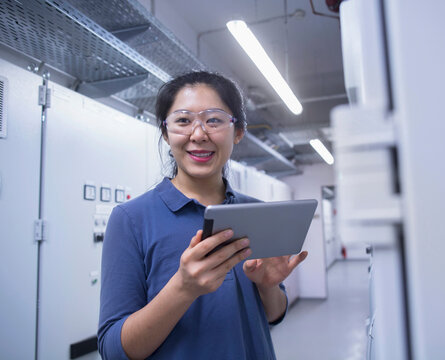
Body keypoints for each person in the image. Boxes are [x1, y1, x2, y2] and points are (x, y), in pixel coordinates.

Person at [97, 71, 308, 360]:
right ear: (165, 132)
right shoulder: (130, 219)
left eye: (214, 120)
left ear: (238, 131)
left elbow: (274, 315)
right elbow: (113, 350)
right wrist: (182, 288)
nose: (199, 134)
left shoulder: (257, 212)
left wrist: (268, 286)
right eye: (183, 121)